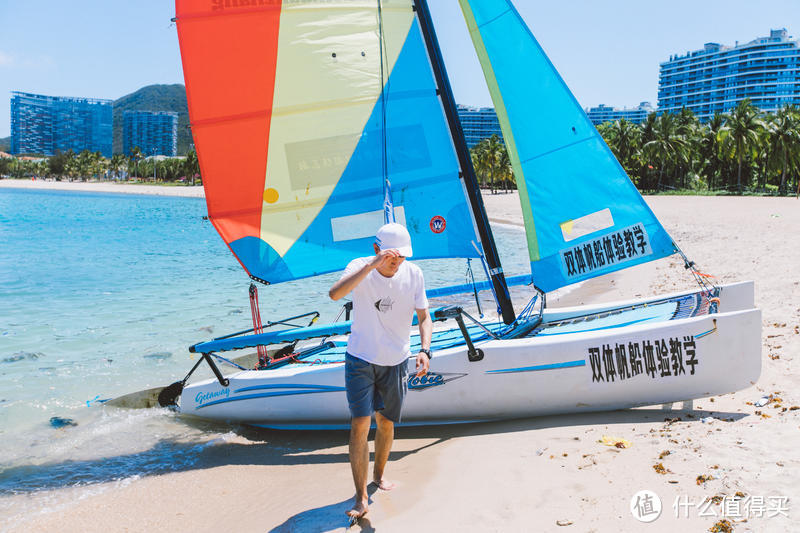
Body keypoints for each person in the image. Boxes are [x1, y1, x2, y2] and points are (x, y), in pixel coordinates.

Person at [329, 222, 433, 520]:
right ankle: (361, 497)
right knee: (360, 424)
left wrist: (424, 350)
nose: (397, 262)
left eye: (401, 257)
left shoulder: (414, 274)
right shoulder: (360, 267)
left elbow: (424, 317)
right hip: (361, 359)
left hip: (396, 360)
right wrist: (372, 265)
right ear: (376, 250)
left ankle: (378, 476)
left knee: (386, 423)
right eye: (391, 256)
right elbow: (335, 294)